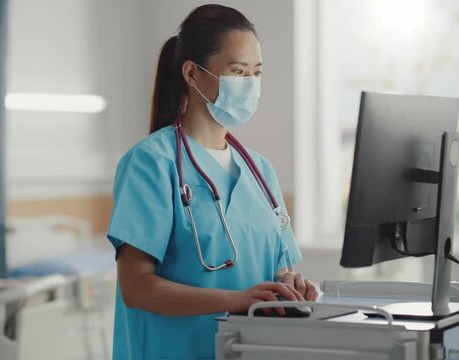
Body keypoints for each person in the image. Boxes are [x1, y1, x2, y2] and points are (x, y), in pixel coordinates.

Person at [107, 4, 318, 359]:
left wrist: (288, 282)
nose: (249, 85)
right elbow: (136, 288)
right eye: (237, 72)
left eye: (256, 73)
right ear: (192, 73)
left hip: (245, 351)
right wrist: (234, 301)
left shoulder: (260, 171)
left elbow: (277, 265)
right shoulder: (152, 164)